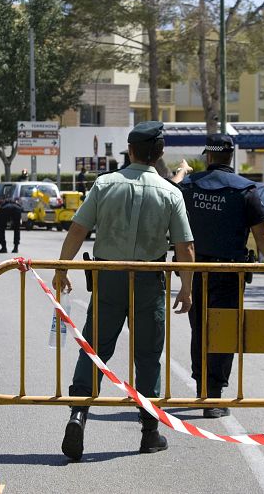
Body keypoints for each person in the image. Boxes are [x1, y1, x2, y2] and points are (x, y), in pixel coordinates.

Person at [52, 121, 195, 460]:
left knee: (95, 348)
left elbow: (78, 229)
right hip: (148, 279)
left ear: (130, 150)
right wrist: (186, 289)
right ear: (159, 154)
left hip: (108, 277)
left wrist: (62, 267)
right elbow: (184, 246)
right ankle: (149, 432)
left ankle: (78, 415)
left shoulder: (105, 184)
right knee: (148, 355)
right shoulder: (170, 192)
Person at [173, 133, 264, 417]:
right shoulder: (245, 189)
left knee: (199, 329)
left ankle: (202, 390)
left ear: (208, 155)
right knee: (223, 330)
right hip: (229, 272)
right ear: (230, 156)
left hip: (194, 271)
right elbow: (262, 235)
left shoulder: (189, 187)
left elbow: (170, 199)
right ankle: (214, 396)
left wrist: (182, 173)